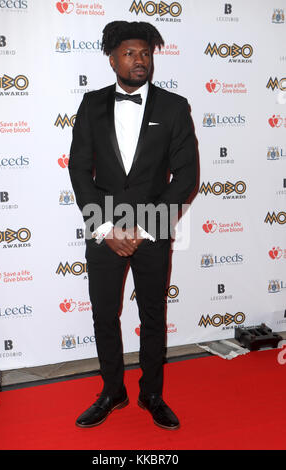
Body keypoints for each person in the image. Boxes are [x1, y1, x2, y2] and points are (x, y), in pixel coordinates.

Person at [69, 20, 197, 430]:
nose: (139, 60)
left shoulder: (175, 107)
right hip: (104, 231)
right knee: (105, 314)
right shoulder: (90, 104)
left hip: (152, 231)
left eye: (145, 53)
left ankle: (152, 393)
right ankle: (112, 391)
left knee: (154, 314)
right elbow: (78, 171)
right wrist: (107, 229)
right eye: (130, 53)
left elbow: (186, 176)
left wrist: (142, 229)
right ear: (112, 59)